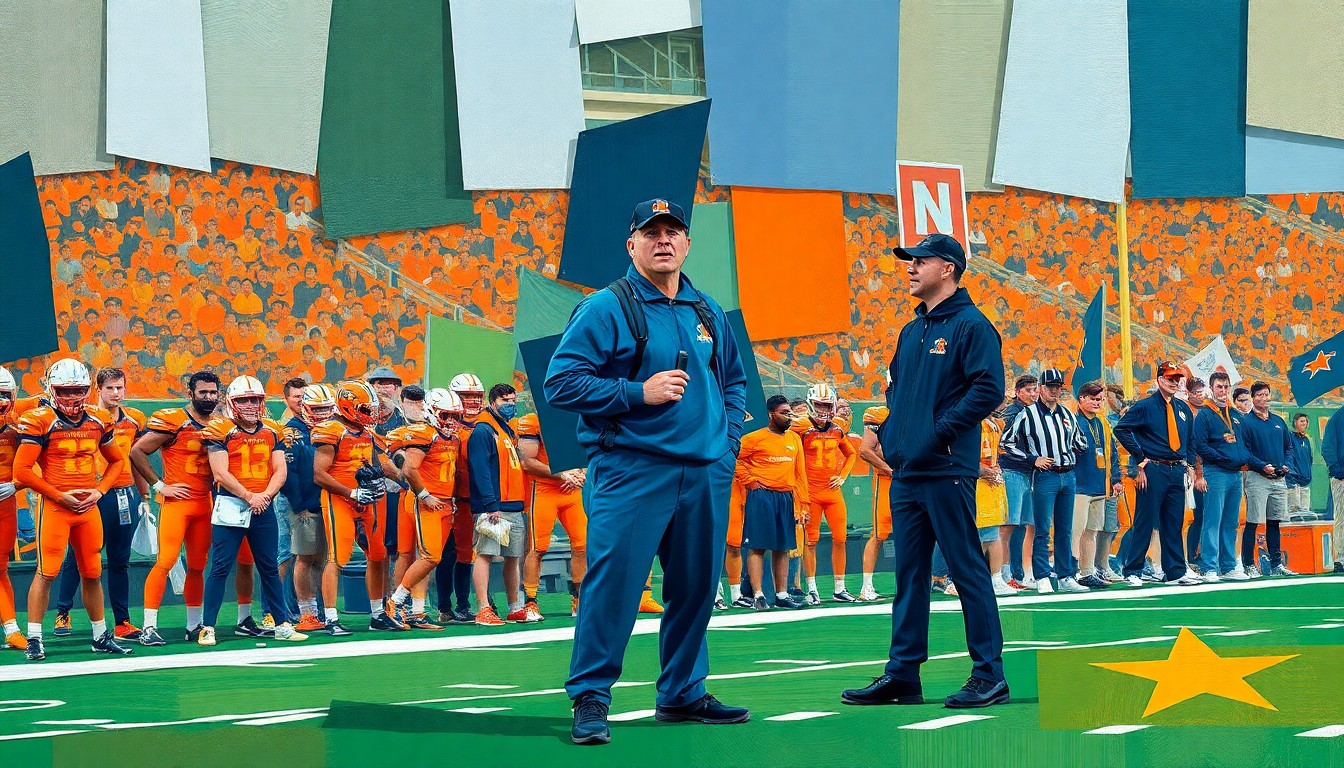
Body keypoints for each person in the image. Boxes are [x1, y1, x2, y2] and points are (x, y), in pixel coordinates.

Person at [547, 198, 749, 745]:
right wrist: (638, 392)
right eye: (651, 232)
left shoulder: (707, 310)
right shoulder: (605, 307)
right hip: (632, 468)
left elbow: (735, 383)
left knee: (696, 589)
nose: (664, 240)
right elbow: (560, 384)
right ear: (631, 244)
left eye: (673, 231)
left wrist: (725, 444)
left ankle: (682, 693)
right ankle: (590, 697)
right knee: (614, 587)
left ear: (686, 243)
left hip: (704, 472)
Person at [842, 233, 1007, 709]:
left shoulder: (973, 326)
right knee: (909, 574)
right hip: (910, 472)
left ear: (949, 268)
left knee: (966, 569)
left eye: (920, 260)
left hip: (947, 467)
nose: (910, 268)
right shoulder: (912, 330)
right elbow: (895, 392)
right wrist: (897, 439)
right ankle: (903, 675)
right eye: (908, 261)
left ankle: (989, 674)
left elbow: (988, 391)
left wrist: (935, 434)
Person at [16, 359, 133, 660]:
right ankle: (34, 638)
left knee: (93, 571)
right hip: (55, 506)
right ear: (51, 389)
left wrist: (99, 490)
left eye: (78, 390)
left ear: (87, 389)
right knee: (47, 571)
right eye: (64, 391)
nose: (71, 397)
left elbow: (118, 460)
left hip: (87, 507)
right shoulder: (39, 419)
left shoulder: (97, 417)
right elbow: (22, 471)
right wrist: (59, 495)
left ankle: (100, 635)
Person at [132, 371, 259, 645]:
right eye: (203, 393)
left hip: (206, 502)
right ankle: (148, 627)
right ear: (190, 394)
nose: (209, 397)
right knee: (165, 561)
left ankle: (193, 624)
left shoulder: (221, 424)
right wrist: (159, 485)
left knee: (198, 566)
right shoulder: (174, 420)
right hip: (177, 503)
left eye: (213, 393)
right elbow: (137, 451)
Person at [197, 377, 306, 646]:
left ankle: (281, 623)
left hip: (263, 505)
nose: (250, 405)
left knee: (268, 566)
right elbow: (220, 471)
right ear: (232, 403)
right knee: (220, 567)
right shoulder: (221, 429)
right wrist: (249, 496)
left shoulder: (272, 430)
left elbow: (280, 469)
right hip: (232, 505)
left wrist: (265, 496)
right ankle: (207, 626)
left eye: (255, 399)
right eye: (244, 399)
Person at [53, 368, 149, 640]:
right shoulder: (88, 418)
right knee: (78, 556)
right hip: (92, 494)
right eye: (110, 389)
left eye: (120, 388)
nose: (116, 393)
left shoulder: (134, 420)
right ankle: (63, 612)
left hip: (125, 494)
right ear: (98, 389)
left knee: (120, 560)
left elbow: (136, 459)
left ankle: (122, 621)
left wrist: (144, 497)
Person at [312, 379, 405, 631]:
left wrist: (403, 479)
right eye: (365, 409)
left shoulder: (366, 432)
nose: (370, 414)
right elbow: (319, 474)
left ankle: (377, 614)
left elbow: (381, 460)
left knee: (378, 554)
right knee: (337, 557)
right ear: (347, 406)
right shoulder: (332, 430)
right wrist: (352, 493)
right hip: (340, 499)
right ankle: (331, 618)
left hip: (369, 498)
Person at [1113, 362, 1202, 587]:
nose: (1174, 382)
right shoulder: (1145, 406)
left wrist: (1190, 464)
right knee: (1145, 520)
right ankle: (1133, 569)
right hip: (1154, 468)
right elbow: (1121, 429)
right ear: (1159, 380)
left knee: (1173, 522)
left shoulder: (1183, 409)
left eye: (1177, 378)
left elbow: (1191, 440)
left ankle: (1174, 571)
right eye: (1170, 378)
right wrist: (1140, 458)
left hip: (1177, 469)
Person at [1001, 368, 1089, 594]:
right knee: (1041, 528)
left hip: (1067, 475)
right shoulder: (1027, 414)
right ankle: (1041, 575)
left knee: (1065, 529)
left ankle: (1065, 575)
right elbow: (1006, 443)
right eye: (1050, 386)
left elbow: (1081, 442)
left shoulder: (1067, 414)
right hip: (1045, 476)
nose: (1054, 390)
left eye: (1057, 386)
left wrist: (1068, 454)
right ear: (1040, 388)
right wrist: (1033, 459)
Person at [387, 388, 461, 629]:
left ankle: (417, 612)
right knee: (429, 556)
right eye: (445, 415)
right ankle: (395, 603)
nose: (451, 421)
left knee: (430, 559)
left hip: (444, 503)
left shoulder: (453, 438)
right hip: (426, 502)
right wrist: (425, 494)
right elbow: (409, 469)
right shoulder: (424, 434)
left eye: (454, 416)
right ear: (431, 412)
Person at [735, 396, 809, 610]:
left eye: (790, 413)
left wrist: (804, 504)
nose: (789, 417)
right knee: (757, 546)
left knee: (783, 547)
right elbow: (735, 458)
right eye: (784, 413)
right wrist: (750, 481)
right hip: (762, 496)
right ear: (771, 414)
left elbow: (800, 474)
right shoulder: (753, 438)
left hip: (786, 496)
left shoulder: (794, 439)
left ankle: (782, 594)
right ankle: (758, 595)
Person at [1192, 371, 1264, 583]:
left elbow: (1242, 445)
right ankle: (1209, 566)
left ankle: (1229, 565)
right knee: (1213, 520)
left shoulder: (1235, 415)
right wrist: (1222, 459)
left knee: (1231, 522)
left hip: (1235, 474)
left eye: (1226, 387)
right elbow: (1200, 445)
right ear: (1211, 389)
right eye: (1219, 387)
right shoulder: (1204, 414)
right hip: (1216, 472)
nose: (1223, 391)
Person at [518, 411, 588, 621]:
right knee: (538, 547)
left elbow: (589, 450)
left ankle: (580, 598)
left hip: (572, 491)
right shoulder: (532, 421)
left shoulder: (575, 418)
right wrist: (562, 473)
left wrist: (581, 472)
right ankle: (531, 601)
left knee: (582, 545)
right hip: (544, 489)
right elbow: (527, 462)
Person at [467, 384, 527, 626]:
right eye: (505, 400)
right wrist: (490, 504)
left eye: (513, 400)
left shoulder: (507, 429)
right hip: (494, 506)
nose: (510, 404)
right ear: (492, 402)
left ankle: (514, 607)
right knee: (485, 554)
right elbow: (480, 470)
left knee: (513, 557)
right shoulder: (483, 431)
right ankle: (483, 608)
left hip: (513, 504)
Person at [281, 384, 338, 633]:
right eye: (318, 409)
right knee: (304, 558)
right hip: (305, 505)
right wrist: (299, 506)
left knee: (320, 560)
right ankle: (305, 613)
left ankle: (316, 609)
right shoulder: (292, 432)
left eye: (327, 408)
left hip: (326, 503)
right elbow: (289, 474)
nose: (323, 414)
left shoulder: (333, 429)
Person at [433, 373, 485, 624]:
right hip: (442, 499)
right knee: (443, 553)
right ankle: (442, 606)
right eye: (467, 396)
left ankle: (463, 605)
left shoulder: (485, 425)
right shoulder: (442, 427)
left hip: (468, 500)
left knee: (466, 554)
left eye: (476, 396)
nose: (472, 401)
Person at [798, 383, 858, 604]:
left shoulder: (837, 429)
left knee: (841, 539)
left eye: (827, 405)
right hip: (810, 492)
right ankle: (812, 589)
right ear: (810, 404)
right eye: (819, 405)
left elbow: (851, 454)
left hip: (832, 493)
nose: (823, 410)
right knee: (811, 541)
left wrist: (842, 476)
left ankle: (839, 588)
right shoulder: (801, 427)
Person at [1239, 382, 1296, 577]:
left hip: (1279, 479)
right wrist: (1261, 465)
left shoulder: (1278, 421)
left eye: (1266, 394)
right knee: (1253, 522)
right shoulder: (1246, 422)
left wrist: (1286, 464)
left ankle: (1276, 564)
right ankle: (1248, 564)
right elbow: (1243, 452)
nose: (1264, 398)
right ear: (1253, 398)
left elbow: (1289, 447)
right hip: (1257, 478)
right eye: (1260, 395)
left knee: (1274, 522)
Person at [1071, 381, 1121, 590]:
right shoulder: (1072, 421)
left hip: (1100, 485)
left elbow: (1112, 453)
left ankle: (1087, 572)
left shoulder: (1103, 423)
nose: (1097, 403)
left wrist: (1116, 479)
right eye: (1093, 399)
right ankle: (1070, 573)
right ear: (1081, 399)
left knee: (1092, 530)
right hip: (1079, 485)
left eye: (1100, 399)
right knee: (1076, 531)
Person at [997, 376, 1038, 588]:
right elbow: (1003, 445)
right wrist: (1030, 458)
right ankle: (1003, 575)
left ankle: (1020, 573)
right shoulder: (1012, 413)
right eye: (1028, 390)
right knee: (1008, 526)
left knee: (1024, 526)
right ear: (1018, 392)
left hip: (1028, 474)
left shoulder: (1034, 413)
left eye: (1035, 390)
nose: (1033, 394)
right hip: (1011, 471)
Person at [0, 367, 25, 649]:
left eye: (3, 395)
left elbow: (35, 464)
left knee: (0, 567)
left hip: (5, 501)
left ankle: (10, 628)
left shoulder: (20, 424)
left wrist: (16, 484)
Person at [857, 403, 892, 601]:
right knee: (879, 534)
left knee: (915, 534)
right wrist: (889, 469)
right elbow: (866, 450)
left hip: (911, 478)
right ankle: (866, 586)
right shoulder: (878, 413)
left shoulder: (915, 407)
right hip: (886, 479)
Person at [1323, 403, 1344, 573]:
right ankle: (1341, 558)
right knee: (1342, 517)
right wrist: (1338, 472)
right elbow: (1327, 447)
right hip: (1341, 477)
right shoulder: (1337, 418)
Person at [1286, 413, 1313, 515]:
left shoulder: (1306, 440)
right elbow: (1289, 456)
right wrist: (1291, 473)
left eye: (1305, 421)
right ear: (1295, 422)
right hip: (1293, 480)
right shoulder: (1290, 437)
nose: (1304, 423)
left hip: (1305, 480)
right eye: (1301, 421)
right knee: (1294, 511)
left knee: (1305, 511)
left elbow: (1309, 458)